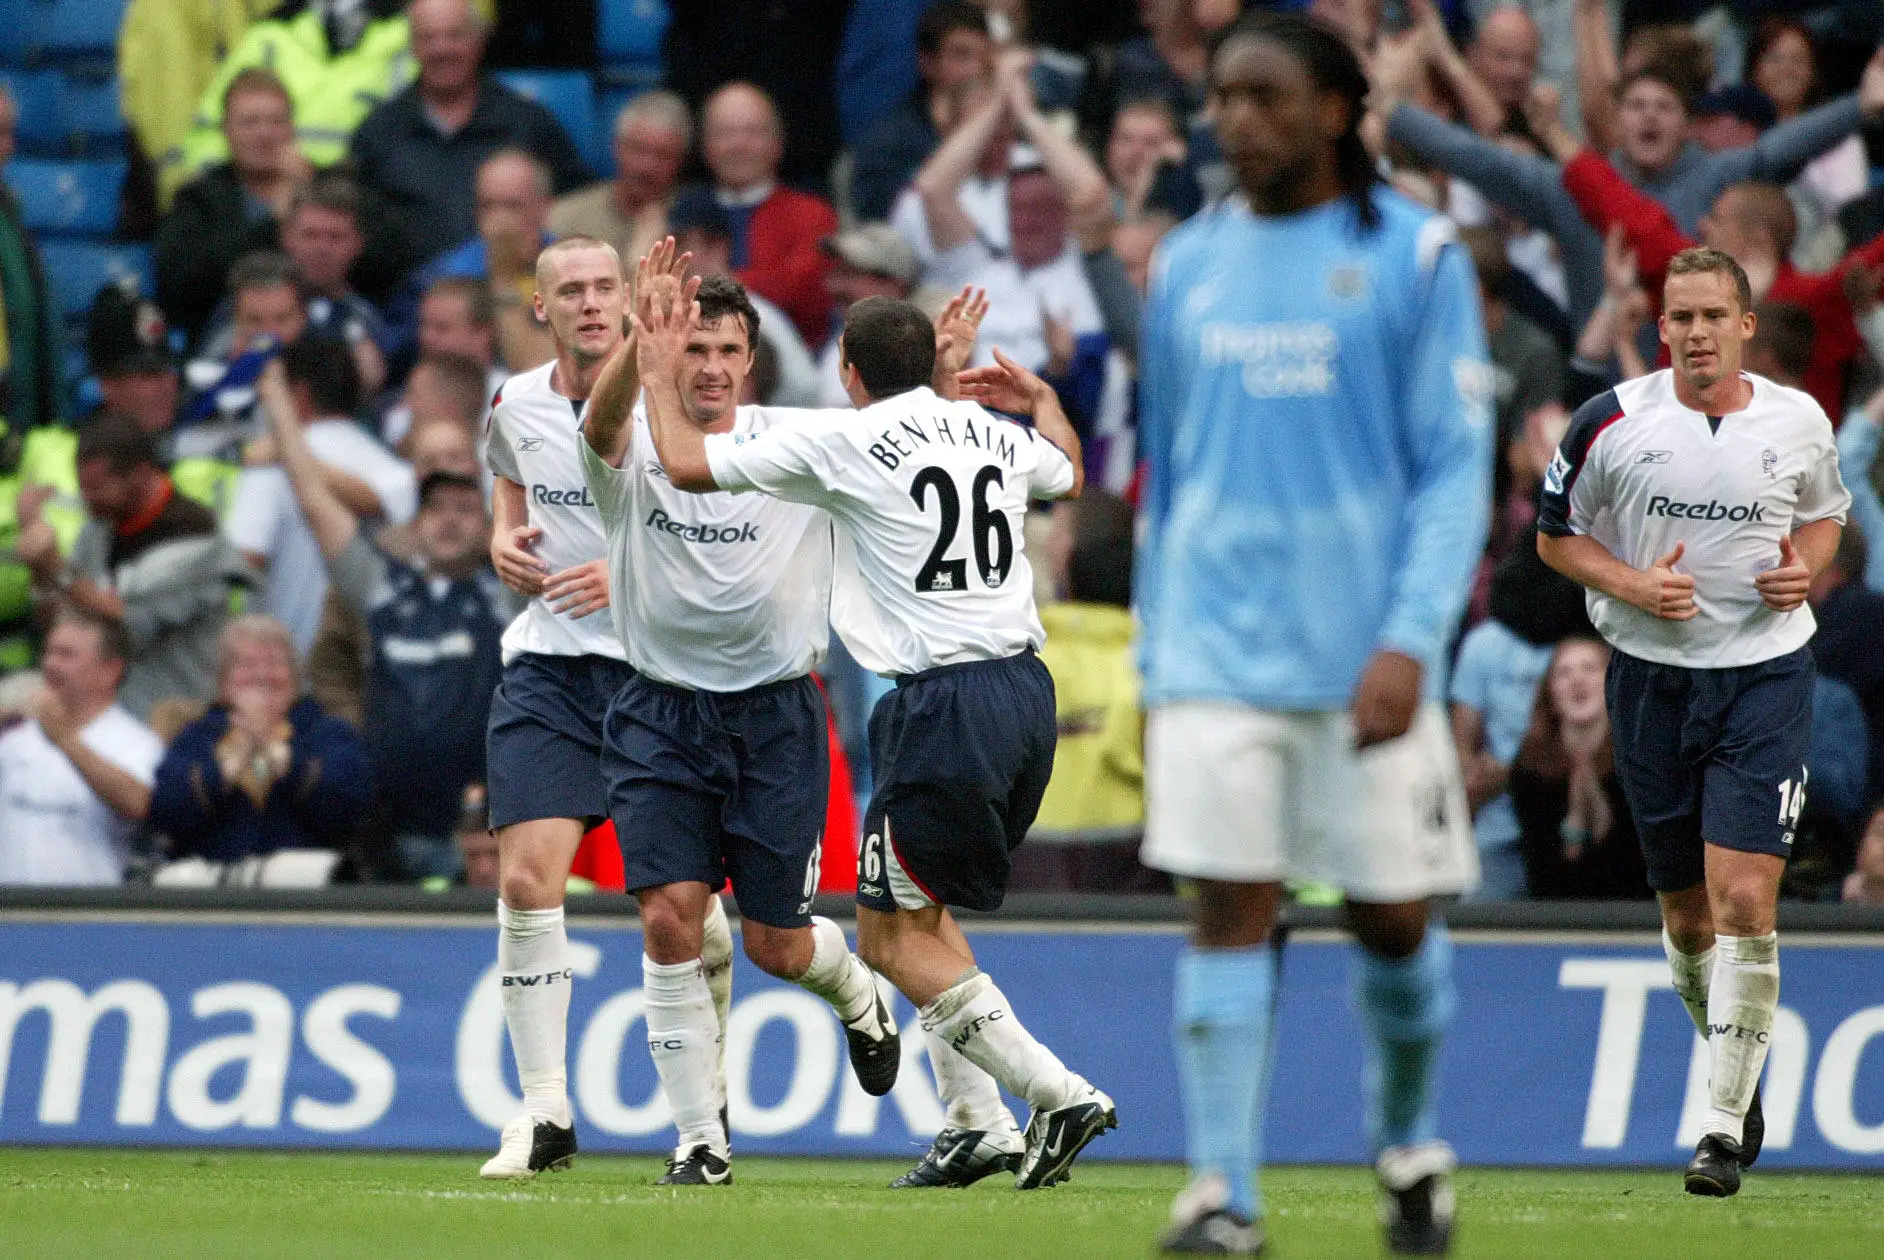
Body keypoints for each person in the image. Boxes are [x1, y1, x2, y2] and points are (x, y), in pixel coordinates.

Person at [1136, 14, 1492, 1254]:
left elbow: (1456, 471)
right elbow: (1167, 477)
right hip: (1217, 659)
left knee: (1390, 919)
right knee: (1227, 909)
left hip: (1364, 666)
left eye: (1266, 97)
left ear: (1335, 110)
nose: (1236, 119)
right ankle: (1224, 1196)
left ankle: (1408, 1146)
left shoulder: (1416, 254)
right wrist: (1154, 657)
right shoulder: (1185, 263)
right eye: (1224, 96)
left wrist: (1409, 641)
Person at [634, 284, 1114, 1191]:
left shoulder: (842, 438)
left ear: (848, 373)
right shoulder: (996, 433)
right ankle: (981, 1128)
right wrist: (1042, 396)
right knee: (923, 917)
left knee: (889, 941)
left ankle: (1059, 1094)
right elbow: (1070, 470)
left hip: (943, 706)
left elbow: (686, 463)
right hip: (1024, 695)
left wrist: (659, 371)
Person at [578, 242, 905, 1184]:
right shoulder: (631, 443)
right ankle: (700, 1140)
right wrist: (634, 345)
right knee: (671, 918)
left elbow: (900, 440)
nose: (711, 368)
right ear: (664, 357)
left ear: (750, 363)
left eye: (728, 351)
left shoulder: (793, 446)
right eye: (694, 350)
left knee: (776, 944)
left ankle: (857, 998)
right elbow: (593, 436)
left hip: (775, 718)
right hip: (658, 713)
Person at [1537, 245, 1851, 1196]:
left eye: (1713, 316)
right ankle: (1737, 1068)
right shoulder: (1613, 423)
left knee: (1746, 899)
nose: (1695, 333)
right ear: (1658, 325)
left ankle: (1718, 1127)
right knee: (1684, 915)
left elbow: (1826, 515)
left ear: (1746, 325)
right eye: (1679, 317)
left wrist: (1807, 567)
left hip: (1762, 676)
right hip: (1650, 679)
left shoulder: (1799, 421)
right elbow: (1555, 537)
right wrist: (1634, 582)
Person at [475, 233, 733, 1181]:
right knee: (526, 883)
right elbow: (512, 486)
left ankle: (708, 1101)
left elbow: (708, 547)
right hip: (549, 671)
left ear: (630, 297)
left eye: (604, 287)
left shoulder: (674, 405)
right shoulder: (512, 401)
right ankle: (544, 1111)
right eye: (569, 291)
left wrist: (626, 574)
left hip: (656, 678)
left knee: (684, 912)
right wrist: (504, 541)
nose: (589, 302)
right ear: (540, 309)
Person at [256, 356, 513, 879]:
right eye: (435, 508)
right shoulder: (378, 585)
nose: (449, 521)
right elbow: (313, 500)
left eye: (465, 509)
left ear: (488, 520)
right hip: (390, 834)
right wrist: (279, 405)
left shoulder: (510, 591)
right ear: (414, 519)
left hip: (484, 841)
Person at [349, 0, 589, 271]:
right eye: (428, 38)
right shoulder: (378, 131)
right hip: (409, 303)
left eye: (455, 35)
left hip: (516, 294)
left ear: (480, 39)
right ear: (412, 46)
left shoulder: (528, 123)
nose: (441, 48)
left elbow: (573, 211)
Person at [43, 415, 251, 718]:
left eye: (97, 488)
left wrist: (57, 569)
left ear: (140, 474)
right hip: (109, 718)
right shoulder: (99, 528)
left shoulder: (196, 536)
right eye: (83, 489)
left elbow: (127, 627)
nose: (87, 501)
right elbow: (61, 619)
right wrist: (40, 570)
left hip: (180, 719)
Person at [224, 334, 417, 655]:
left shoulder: (269, 467)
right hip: (387, 662)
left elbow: (243, 559)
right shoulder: (397, 472)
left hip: (289, 671)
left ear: (297, 396)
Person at [148, 614, 371, 865]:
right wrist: (230, 765)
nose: (262, 674)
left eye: (275, 663)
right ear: (223, 682)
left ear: (295, 677)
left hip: (305, 893)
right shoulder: (195, 738)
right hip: (214, 893)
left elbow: (349, 808)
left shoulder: (327, 733)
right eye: (246, 664)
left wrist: (276, 754)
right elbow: (165, 812)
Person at [0, 609, 164, 886]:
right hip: (11, 917)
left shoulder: (136, 742)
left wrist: (65, 740)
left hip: (87, 917)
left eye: (66, 655)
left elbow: (140, 804)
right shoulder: (16, 737)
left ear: (110, 671)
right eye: (49, 652)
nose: (51, 664)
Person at [668, 84, 840, 346]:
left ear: (778, 142)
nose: (739, 145)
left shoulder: (812, 214)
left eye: (753, 132)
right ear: (704, 145)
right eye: (726, 133)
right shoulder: (678, 212)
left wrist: (723, 282)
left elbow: (806, 291)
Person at [156, 69, 309, 349]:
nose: (264, 133)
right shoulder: (197, 199)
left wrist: (312, 196)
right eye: (250, 122)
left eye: (276, 121)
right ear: (225, 130)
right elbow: (181, 287)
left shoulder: (320, 187)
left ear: (292, 128)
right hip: (224, 339)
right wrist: (273, 222)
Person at [1506, 636, 1647, 899]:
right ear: (1549, 691)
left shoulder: (1644, 759)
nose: (1577, 681)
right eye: (1564, 672)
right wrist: (1575, 823)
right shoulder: (1530, 766)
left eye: (1590, 669)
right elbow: (1542, 862)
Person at [413, 149, 560, 371]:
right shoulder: (452, 273)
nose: (498, 220)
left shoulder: (569, 267)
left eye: (512, 206)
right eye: (487, 206)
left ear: (544, 207)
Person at [849, 2, 994, 222]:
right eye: (961, 55)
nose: (976, 68)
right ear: (927, 63)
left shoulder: (1008, 131)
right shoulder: (889, 144)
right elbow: (884, 222)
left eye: (984, 57)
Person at [550, 92, 692, 272]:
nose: (647, 167)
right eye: (638, 150)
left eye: (662, 155)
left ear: (681, 161)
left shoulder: (694, 224)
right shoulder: (565, 220)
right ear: (616, 147)